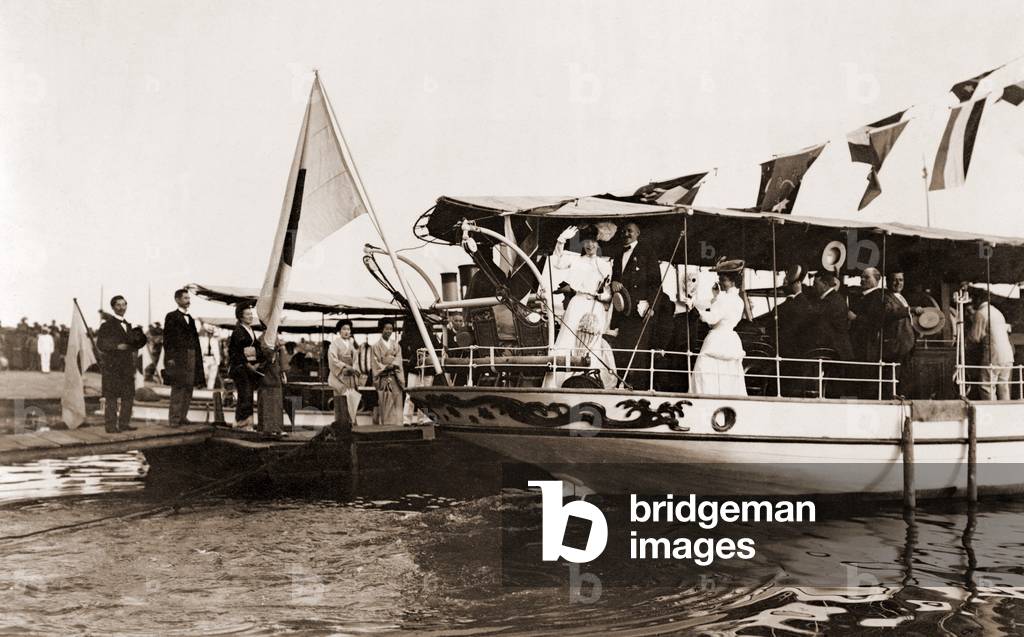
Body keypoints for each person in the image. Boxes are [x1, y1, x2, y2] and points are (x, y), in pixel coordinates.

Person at [551, 225, 618, 387]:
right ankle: (563, 381)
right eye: (586, 242)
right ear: (582, 244)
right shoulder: (575, 260)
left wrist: (600, 295)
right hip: (578, 304)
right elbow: (557, 263)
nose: (590, 245)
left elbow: (608, 295)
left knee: (593, 343)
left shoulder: (604, 266)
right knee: (569, 339)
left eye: (593, 241)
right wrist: (561, 240)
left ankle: (589, 381)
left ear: (598, 243)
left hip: (596, 308)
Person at [609, 222, 662, 389]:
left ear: (637, 233)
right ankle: (622, 384)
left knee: (639, 351)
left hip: (641, 310)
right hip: (623, 310)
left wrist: (652, 306)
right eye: (623, 231)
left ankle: (639, 388)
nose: (626, 234)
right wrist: (614, 282)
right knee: (623, 348)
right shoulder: (618, 254)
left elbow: (656, 283)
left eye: (629, 231)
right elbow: (615, 279)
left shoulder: (647, 252)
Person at [690, 258, 747, 396]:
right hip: (731, 339)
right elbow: (722, 311)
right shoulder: (738, 300)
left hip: (717, 339)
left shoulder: (724, 299)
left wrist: (694, 308)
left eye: (723, 279)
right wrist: (716, 297)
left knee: (704, 371)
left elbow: (712, 318)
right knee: (728, 374)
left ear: (731, 281)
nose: (720, 282)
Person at [96, 296, 148, 432]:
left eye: (124, 305)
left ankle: (124, 424)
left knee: (128, 396)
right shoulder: (106, 325)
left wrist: (140, 335)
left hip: (127, 366)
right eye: (118, 305)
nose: (121, 307)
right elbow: (100, 343)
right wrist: (116, 347)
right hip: (112, 367)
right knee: (111, 397)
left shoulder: (129, 325)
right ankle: (111, 426)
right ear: (113, 307)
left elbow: (137, 343)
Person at [807, 270, 854, 397]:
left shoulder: (831, 301)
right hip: (836, 351)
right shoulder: (833, 299)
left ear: (825, 284)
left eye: (816, 283)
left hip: (836, 351)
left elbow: (819, 323)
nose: (813, 286)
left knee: (833, 388)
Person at [163, 288, 205, 426]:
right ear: (177, 300)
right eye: (186, 298)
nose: (188, 301)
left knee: (189, 386)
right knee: (178, 386)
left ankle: (183, 416)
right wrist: (170, 358)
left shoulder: (191, 319)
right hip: (178, 357)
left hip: (191, 355)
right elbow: (167, 339)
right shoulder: (171, 316)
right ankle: (174, 419)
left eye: (189, 298)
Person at [968, 293, 1014, 400]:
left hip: (993, 355)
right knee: (1003, 385)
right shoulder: (996, 312)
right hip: (1007, 355)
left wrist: (972, 319)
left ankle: (991, 411)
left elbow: (975, 337)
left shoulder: (981, 313)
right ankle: (1004, 410)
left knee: (986, 386)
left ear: (977, 301)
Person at [227, 304, 262, 429]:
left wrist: (257, 363)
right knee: (245, 393)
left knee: (248, 394)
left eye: (251, 314)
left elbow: (257, 347)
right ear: (240, 317)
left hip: (251, 366)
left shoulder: (250, 330)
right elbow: (235, 351)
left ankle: (246, 422)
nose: (250, 316)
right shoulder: (238, 331)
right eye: (247, 314)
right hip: (241, 367)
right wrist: (248, 364)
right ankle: (241, 422)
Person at [327, 319, 362, 427]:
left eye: (348, 329)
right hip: (339, 377)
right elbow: (333, 360)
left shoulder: (352, 345)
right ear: (339, 331)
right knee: (341, 402)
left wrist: (354, 369)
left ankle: (352, 425)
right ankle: (341, 426)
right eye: (344, 329)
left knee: (351, 400)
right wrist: (345, 367)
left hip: (350, 377)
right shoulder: (334, 344)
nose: (346, 331)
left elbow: (356, 360)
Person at [371, 318, 404, 425]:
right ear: (381, 329)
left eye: (391, 329)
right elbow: (375, 363)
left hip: (395, 378)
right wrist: (386, 367)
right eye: (386, 328)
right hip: (383, 378)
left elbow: (398, 360)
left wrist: (391, 364)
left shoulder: (396, 345)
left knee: (397, 403)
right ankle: (386, 426)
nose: (389, 331)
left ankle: (398, 426)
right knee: (385, 403)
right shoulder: (375, 346)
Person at [198, 323, 222, 390]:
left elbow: (217, 350)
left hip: (213, 358)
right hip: (205, 358)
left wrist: (218, 361)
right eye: (209, 332)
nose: (210, 334)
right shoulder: (201, 339)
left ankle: (210, 389)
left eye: (211, 332)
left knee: (212, 376)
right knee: (205, 374)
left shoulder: (215, 340)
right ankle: (204, 387)